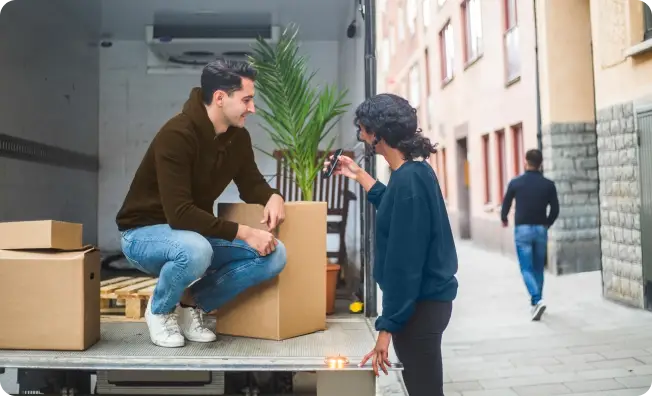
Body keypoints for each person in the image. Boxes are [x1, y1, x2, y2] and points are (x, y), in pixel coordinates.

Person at [115, 59, 288, 348]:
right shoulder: (177, 135)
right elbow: (180, 214)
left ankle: (189, 303)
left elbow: (250, 184)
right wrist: (245, 232)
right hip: (142, 235)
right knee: (196, 250)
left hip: (193, 233)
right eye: (246, 99)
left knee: (274, 254)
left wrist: (273, 196)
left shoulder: (238, 138)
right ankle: (159, 310)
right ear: (220, 98)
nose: (252, 108)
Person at [324, 93, 458, 396]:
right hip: (426, 304)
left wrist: (386, 329)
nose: (359, 135)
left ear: (377, 135)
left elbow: (404, 265)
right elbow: (395, 209)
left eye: (362, 129)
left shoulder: (408, 180)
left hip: (419, 309)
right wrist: (358, 174)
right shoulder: (414, 172)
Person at [500, 148, 559, 321]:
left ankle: (537, 299)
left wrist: (504, 218)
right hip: (541, 229)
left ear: (526, 161)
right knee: (539, 267)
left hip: (522, 230)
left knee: (526, 268)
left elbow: (506, 204)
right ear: (541, 164)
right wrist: (547, 223)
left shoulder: (516, 182)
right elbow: (555, 209)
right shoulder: (548, 185)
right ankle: (537, 303)